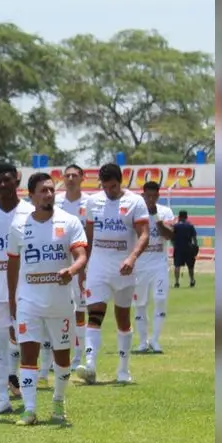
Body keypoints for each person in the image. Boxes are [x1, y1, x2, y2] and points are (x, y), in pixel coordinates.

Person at [6, 172, 88, 425]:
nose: (49, 194)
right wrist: (12, 301)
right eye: (43, 190)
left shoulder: (70, 221)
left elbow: (82, 255)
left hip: (61, 302)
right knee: (28, 353)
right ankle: (29, 409)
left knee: (62, 358)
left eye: (51, 190)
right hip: (29, 301)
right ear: (31, 196)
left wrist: (71, 271)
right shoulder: (19, 226)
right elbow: (12, 266)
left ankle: (58, 401)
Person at [76, 163, 150, 385]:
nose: (110, 191)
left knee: (123, 319)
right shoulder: (93, 202)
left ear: (122, 181)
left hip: (124, 268)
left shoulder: (135, 202)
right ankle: (90, 365)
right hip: (99, 266)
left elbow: (144, 234)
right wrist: (82, 267)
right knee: (95, 314)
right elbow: (88, 238)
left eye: (114, 186)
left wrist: (132, 257)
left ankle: (123, 370)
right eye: (105, 186)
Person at [0, 162, 34, 414]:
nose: (2, 184)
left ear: (17, 181)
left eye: (7, 179)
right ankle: (3, 397)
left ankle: (28, 392)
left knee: (25, 343)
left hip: (27, 290)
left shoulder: (31, 214)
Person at [55, 164, 91, 369]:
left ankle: (79, 357)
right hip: (58, 263)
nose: (70, 179)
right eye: (67, 175)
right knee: (58, 309)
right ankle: (56, 357)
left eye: (74, 175)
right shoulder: (56, 202)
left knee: (80, 311)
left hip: (81, 264)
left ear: (82, 178)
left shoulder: (89, 203)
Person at [133, 181, 176, 353]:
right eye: (148, 196)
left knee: (160, 300)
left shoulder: (165, 211)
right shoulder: (136, 211)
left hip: (159, 264)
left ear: (158, 196)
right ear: (143, 195)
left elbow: (169, 235)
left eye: (154, 196)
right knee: (140, 304)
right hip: (140, 266)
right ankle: (143, 342)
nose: (151, 199)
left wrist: (156, 217)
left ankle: (155, 341)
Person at [171, 210, 198, 287]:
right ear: (186, 217)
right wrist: (195, 247)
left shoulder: (175, 226)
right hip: (188, 248)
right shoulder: (190, 226)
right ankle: (192, 280)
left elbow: (172, 237)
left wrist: (174, 245)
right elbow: (194, 238)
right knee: (190, 266)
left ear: (179, 217)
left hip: (178, 248)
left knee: (177, 265)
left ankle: (176, 282)